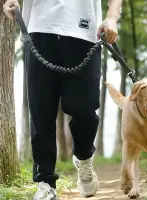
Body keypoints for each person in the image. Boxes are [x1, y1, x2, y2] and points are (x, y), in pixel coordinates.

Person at [3, 0, 123, 199]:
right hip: (40, 27)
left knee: (84, 108)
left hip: (85, 31)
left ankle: (84, 157)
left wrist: (112, 17)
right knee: (41, 110)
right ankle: (45, 182)